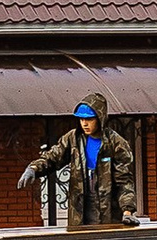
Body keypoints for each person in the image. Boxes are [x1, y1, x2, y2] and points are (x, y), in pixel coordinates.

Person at [19, 92, 138, 228]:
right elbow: (53, 157)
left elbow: (124, 181)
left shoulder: (116, 144)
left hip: (109, 211)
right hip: (80, 209)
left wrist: (127, 211)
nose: (84, 124)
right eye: (81, 119)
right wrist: (33, 169)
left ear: (100, 118)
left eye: (89, 119)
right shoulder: (73, 139)